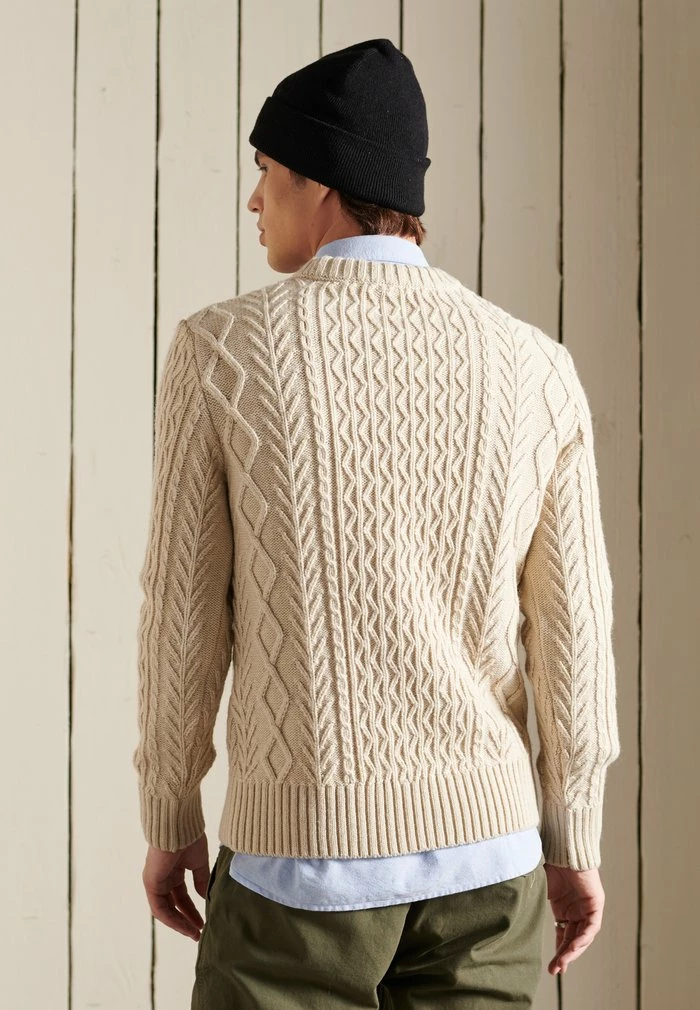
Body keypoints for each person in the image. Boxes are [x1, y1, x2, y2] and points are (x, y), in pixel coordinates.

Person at [133, 37, 621, 1010]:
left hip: (297, 868)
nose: (254, 198)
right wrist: (573, 838)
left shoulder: (221, 353)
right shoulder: (533, 366)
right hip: (490, 869)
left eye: (266, 169)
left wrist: (170, 810)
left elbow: (181, 615)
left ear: (320, 178)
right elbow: (575, 633)